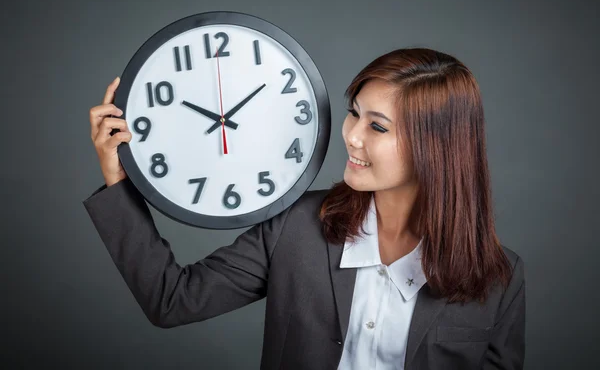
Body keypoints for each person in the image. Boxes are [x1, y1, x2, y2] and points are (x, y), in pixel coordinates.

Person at [83, 48, 525, 370]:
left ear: (437, 147)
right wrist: (117, 176)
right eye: (355, 114)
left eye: (378, 126)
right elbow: (172, 300)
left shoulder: (499, 276)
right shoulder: (295, 226)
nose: (351, 135)